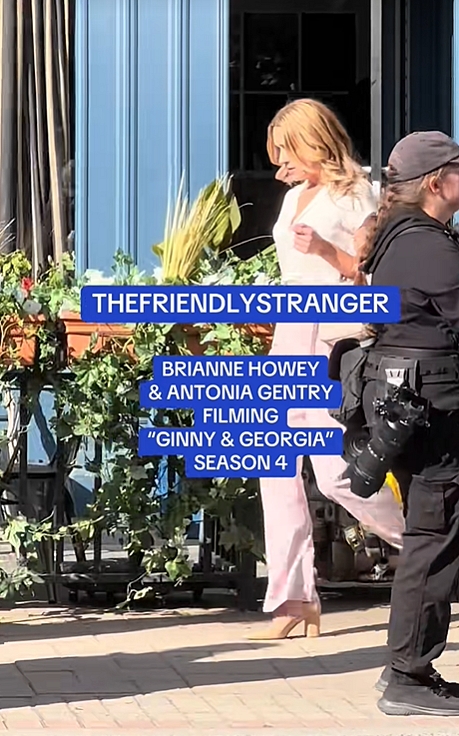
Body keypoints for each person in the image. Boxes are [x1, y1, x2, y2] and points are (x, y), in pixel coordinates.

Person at [248, 99, 404, 641]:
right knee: (274, 468)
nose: (279, 165)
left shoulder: (358, 194)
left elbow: (374, 272)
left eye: (286, 152)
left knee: (338, 473)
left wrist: (326, 252)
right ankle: (293, 600)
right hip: (290, 334)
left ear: (314, 142)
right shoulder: (294, 197)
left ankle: (430, 546)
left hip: (330, 337)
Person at [358, 131, 459, 716]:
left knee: (432, 533)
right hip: (432, 410)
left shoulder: (400, 235)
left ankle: (408, 668)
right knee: (433, 537)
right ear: (435, 182)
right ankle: (408, 676)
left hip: (408, 402)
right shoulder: (424, 244)